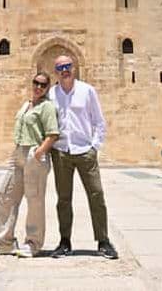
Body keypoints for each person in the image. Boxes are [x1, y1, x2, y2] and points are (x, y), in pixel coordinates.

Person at [48, 55, 119, 260]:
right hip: (61, 151)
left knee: (96, 195)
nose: (65, 70)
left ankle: (103, 242)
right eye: (60, 67)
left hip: (85, 150)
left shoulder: (87, 90)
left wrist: (94, 147)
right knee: (63, 199)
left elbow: (99, 122)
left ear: (74, 68)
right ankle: (64, 242)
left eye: (68, 66)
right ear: (56, 71)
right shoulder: (52, 94)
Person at [0, 72, 60, 258]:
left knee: (34, 199)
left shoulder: (47, 107)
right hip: (19, 152)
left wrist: (39, 152)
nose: (38, 87)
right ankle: (4, 242)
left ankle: (33, 242)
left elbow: (53, 133)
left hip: (34, 154)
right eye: (36, 83)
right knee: (5, 195)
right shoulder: (26, 105)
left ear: (47, 88)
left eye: (43, 85)